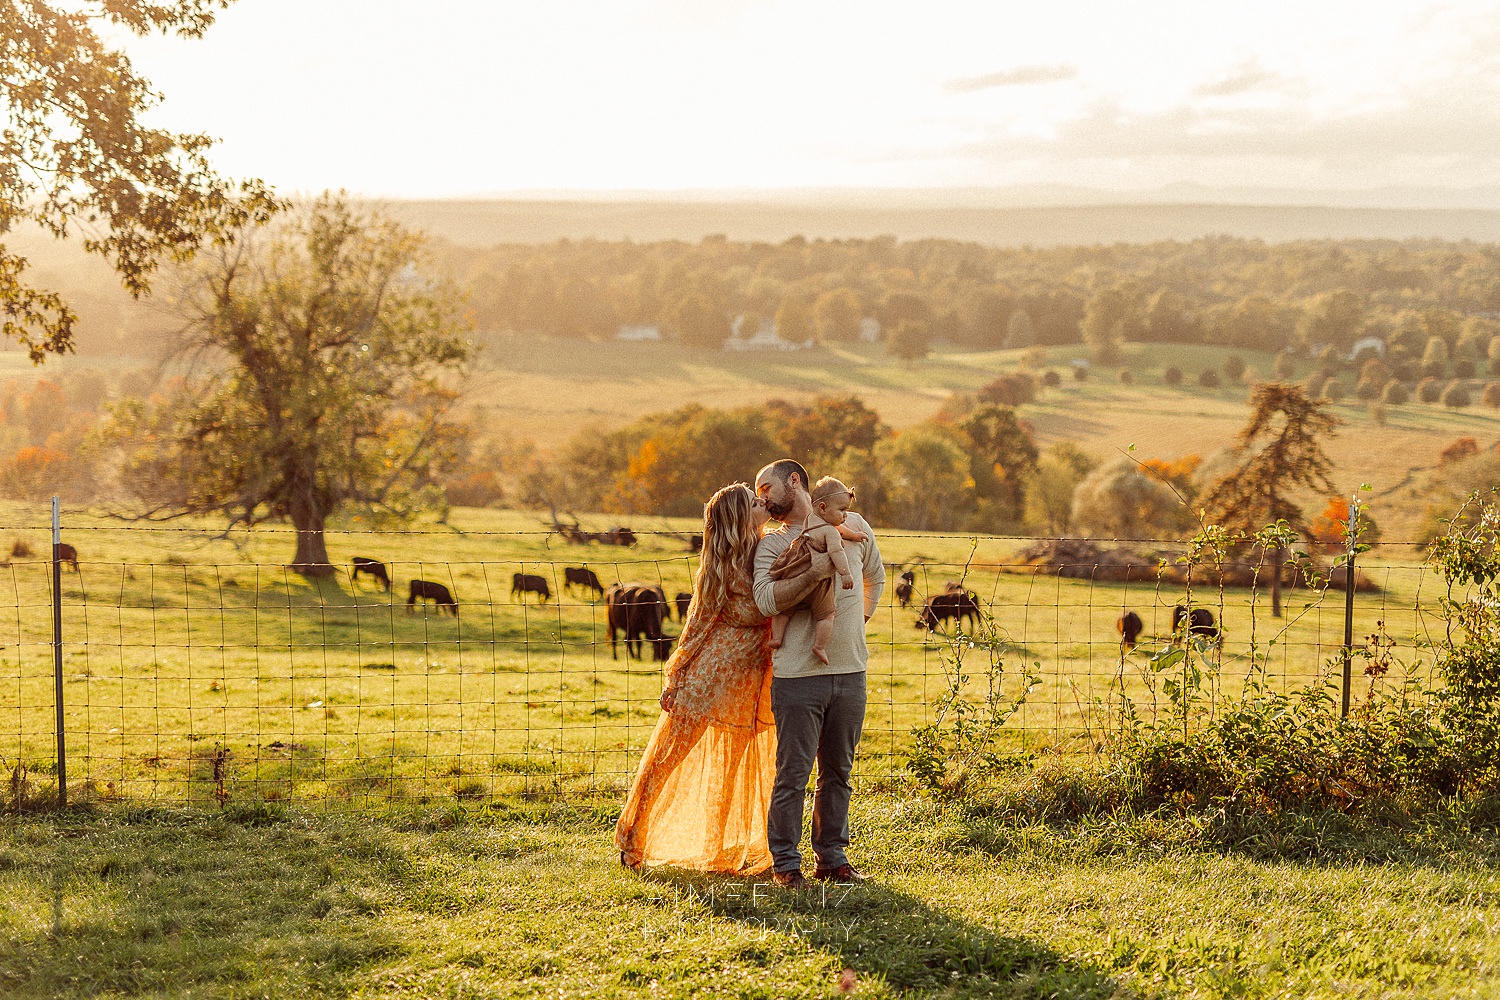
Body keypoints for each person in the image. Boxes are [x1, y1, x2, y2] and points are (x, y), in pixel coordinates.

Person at [615, 482, 828, 873]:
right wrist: (676, 677)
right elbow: (696, 624)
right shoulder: (722, 564)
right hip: (711, 676)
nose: (762, 502)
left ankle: (717, 848)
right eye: (753, 501)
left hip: (752, 679)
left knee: (733, 767)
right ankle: (633, 838)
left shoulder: (768, 549)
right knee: (669, 758)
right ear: (738, 516)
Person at [753, 459, 884, 888]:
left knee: (839, 772)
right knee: (792, 774)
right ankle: (786, 865)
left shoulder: (851, 522)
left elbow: (875, 578)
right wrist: (816, 570)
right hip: (796, 677)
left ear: (794, 481)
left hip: (851, 671)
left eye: (766, 488)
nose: (763, 498)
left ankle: (832, 858)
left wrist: (858, 622)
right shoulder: (773, 545)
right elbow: (768, 601)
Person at [767, 476, 865, 664]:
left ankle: (777, 637)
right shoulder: (830, 532)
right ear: (822, 508)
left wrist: (854, 535)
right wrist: (845, 574)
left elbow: (842, 529)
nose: (845, 516)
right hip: (818, 584)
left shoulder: (810, 520)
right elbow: (836, 552)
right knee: (826, 615)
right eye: (842, 510)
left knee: (784, 610)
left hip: (796, 574)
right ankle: (819, 646)